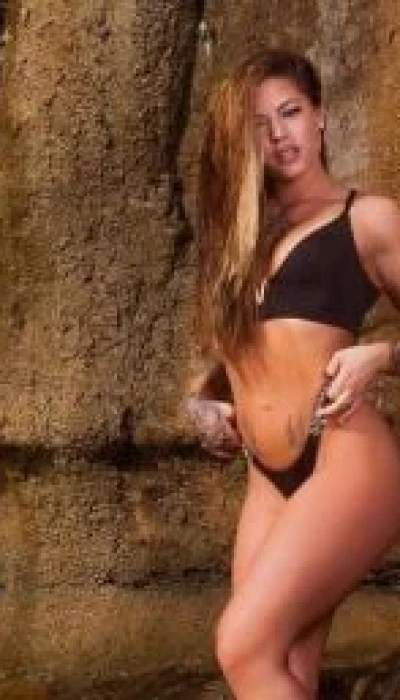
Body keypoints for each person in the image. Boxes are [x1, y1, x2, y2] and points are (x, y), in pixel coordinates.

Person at [186, 48, 400, 700]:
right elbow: (239, 359)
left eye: (291, 112)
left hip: (343, 453)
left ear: (320, 117)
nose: (280, 134)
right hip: (267, 479)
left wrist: (381, 354)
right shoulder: (244, 242)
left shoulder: (368, 219)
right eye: (261, 124)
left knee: (240, 645)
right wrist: (205, 401)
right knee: (282, 668)